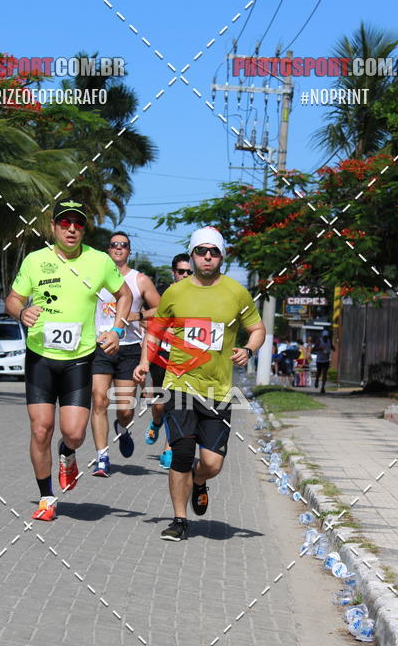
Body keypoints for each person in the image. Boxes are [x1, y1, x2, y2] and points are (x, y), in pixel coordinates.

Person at [134, 226, 266, 542]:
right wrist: (143, 362)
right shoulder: (175, 293)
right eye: (201, 251)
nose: (207, 256)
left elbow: (258, 329)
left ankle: (199, 480)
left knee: (212, 463)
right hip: (179, 385)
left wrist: (248, 349)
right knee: (180, 454)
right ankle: (179, 520)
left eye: (214, 251)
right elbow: (155, 330)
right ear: (192, 255)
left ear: (222, 256)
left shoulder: (236, 292)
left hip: (218, 391)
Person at [5, 200, 131, 521]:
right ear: (54, 227)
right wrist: (21, 311)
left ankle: (68, 452)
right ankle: (47, 497)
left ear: (84, 229)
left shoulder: (99, 261)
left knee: (73, 433)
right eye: (65, 223)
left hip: (79, 359)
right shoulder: (36, 261)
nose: (71, 228)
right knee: (40, 430)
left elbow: (124, 295)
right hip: (40, 358)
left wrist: (117, 329)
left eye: (78, 223)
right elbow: (13, 298)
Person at [90, 231, 161, 477]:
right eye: (114, 245)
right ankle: (102, 457)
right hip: (100, 345)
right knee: (99, 400)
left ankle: (122, 426)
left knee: (126, 409)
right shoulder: (95, 277)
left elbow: (161, 310)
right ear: (108, 250)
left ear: (129, 251)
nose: (119, 248)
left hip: (129, 348)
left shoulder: (140, 280)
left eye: (124, 245)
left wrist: (136, 316)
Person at [144, 252, 192, 469]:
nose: (185, 275)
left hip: (182, 358)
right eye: (181, 271)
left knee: (175, 403)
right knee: (159, 402)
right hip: (160, 355)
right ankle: (156, 421)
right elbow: (151, 317)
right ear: (174, 272)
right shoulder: (165, 295)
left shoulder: (199, 296)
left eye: (189, 272)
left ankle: (169, 448)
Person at [313, 329, 334, 394]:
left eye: (326, 337)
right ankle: (316, 380)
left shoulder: (329, 341)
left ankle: (323, 387)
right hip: (319, 360)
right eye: (324, 337)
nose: (325, 338)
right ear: (322, 336)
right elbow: (313, 349)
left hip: (326, 360)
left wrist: (333, 348)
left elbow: (332, 347)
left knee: (325, 373)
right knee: (319, 373)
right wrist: (319, 349)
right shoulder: (319, 341)